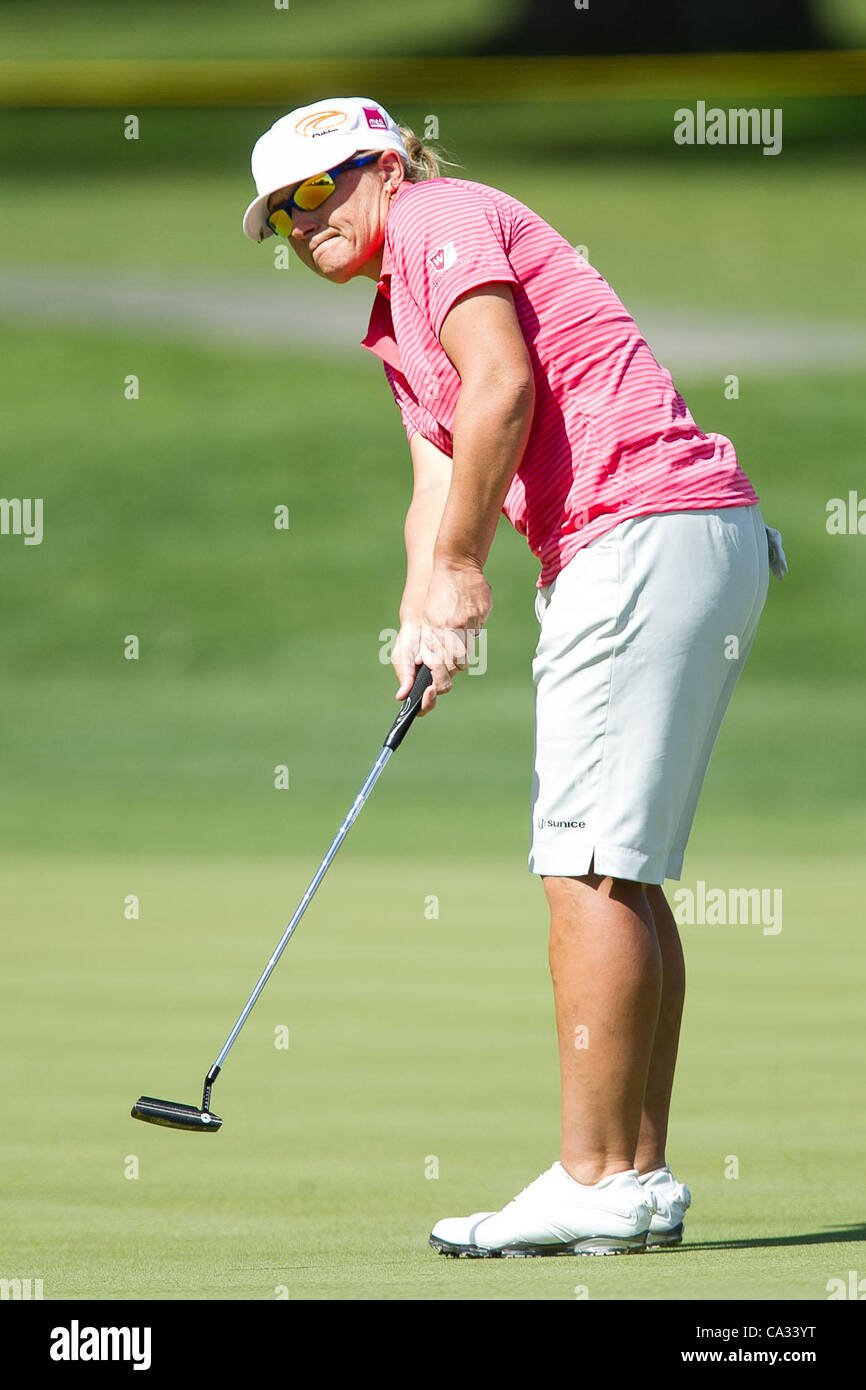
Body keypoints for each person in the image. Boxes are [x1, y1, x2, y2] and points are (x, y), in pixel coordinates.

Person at [242, 97, 787, 1257]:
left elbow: (502, 389)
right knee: (618, 867)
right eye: (280, 212)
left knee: (583, 863)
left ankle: (590, 1175)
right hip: (674, 535)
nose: (300, 223)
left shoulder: (438, 219)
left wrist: (460, 570)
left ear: (384, 166)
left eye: (318, 189)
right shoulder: (396, 315)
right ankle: (632, 1178)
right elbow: (436, 471)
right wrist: (418, 612)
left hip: (636, 526)